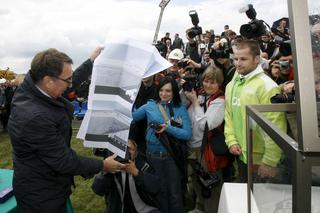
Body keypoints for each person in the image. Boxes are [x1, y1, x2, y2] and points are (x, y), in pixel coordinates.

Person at [7, 48, 126, 212]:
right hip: (41, 196)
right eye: (67, 80)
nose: (71, 85)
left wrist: (91, 61)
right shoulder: (35, 118)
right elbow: (65, 161)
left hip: (48, 185)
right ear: (49, 81)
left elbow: (69, 82)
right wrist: (103, 165)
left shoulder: (35, 87)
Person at [224, 40, 287, 182]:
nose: (238, 63)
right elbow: (229, 114)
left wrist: (270, 160)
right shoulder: (231, 85)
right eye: (236, 59)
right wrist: (231, 140)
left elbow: (276, 125)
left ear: (257, 59)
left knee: (264, 202)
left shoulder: (267, 86)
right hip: (242, 155)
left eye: (243, 59)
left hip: (262, 159)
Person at [132, 76, 192, 213]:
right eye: (162, 90)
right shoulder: (150, 105)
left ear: (174, 92)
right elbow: (133, 117)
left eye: (168, 91)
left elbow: (187, 134)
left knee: (175, 192)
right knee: (159, 191)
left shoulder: (180, 108)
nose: (164, 94)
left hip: (171, 157)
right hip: (153, 156)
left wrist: (168, 128)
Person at [185, 65, 232, 213]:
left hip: (207, 150)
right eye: (206, 81)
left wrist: (195, 103)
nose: (208, 85)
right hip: (192, 147)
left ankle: (213, 210)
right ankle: (200, 208)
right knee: (197, 182)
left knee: (210, 185)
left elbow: (206, 125)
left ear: (219, 83)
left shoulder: (219, 100)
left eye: (213, 82)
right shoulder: (199, 94)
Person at [92, 140, 162, 213]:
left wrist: (136, 172)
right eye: (122, 148)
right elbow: (98, 190)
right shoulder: (112, 167)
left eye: (129, 148)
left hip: (144, 208)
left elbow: (155, 187)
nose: (126, 152)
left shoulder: (142, 164)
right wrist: (107, 170)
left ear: (136, 152)